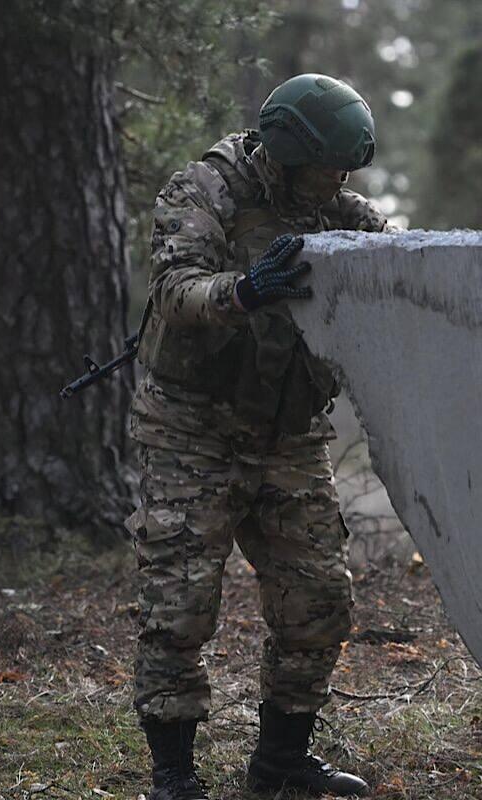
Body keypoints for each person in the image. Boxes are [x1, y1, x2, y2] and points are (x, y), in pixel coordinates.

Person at [125, 73, 393, 800]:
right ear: (283, 152)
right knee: (178, 606)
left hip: (288, 431)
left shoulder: (340, 212)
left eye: (345, 170)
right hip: (191, 426)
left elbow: (406, 266)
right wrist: (241, 291)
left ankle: (280, 763)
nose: (336, 181)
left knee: (318, 601)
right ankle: (174, 777)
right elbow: (174, 287)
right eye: (325, 166)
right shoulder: (206, 190)